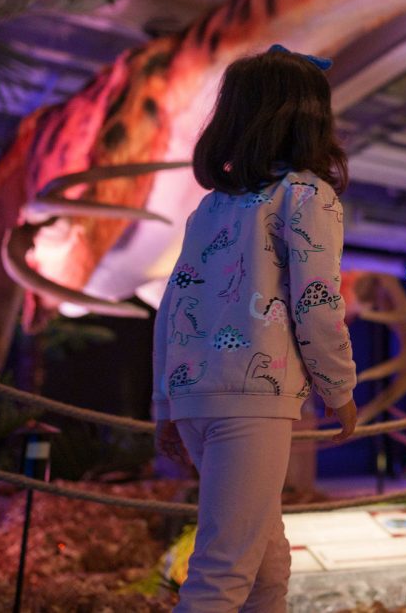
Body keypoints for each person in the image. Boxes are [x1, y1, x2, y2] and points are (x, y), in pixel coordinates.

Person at [153, 46, 358, 612]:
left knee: (267, 563)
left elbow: (173, 306)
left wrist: (164, 403)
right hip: (255, 400)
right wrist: (339, 388)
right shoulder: (308, 195)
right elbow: (317, 303)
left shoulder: (212, 209)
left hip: (197, 398)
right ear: (311, 117)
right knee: (222, 573)